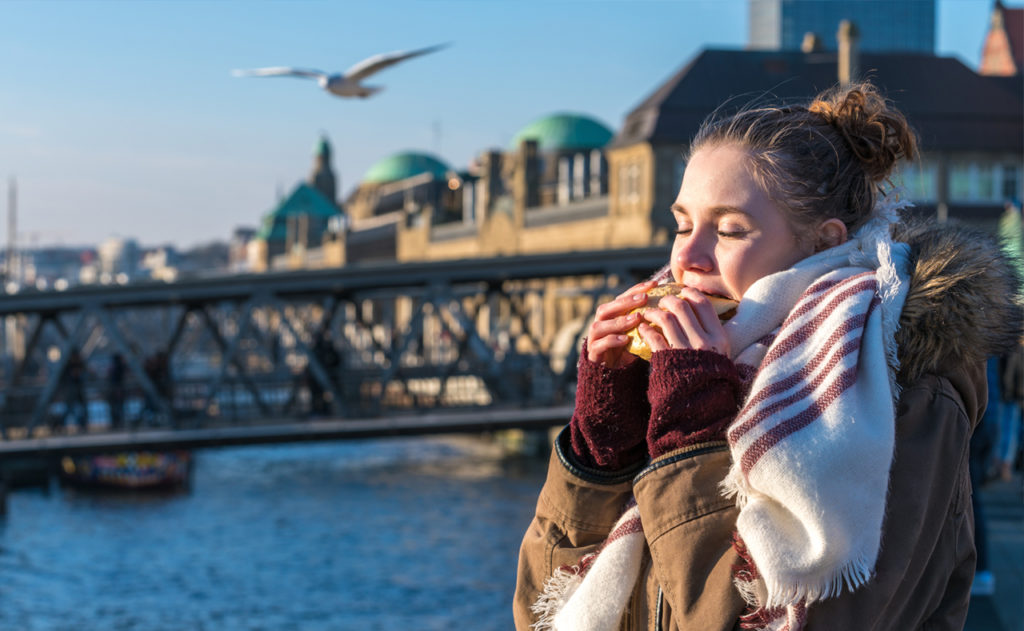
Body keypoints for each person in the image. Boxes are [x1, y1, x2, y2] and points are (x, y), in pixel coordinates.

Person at [514, 82, 1023, 631]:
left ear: (822, 243)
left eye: (730, 230)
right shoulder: (678, 371)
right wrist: (601, 443)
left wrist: (693, 434)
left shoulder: (901, 394)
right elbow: (542, 612)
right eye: (683, 224)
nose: (686, 257)